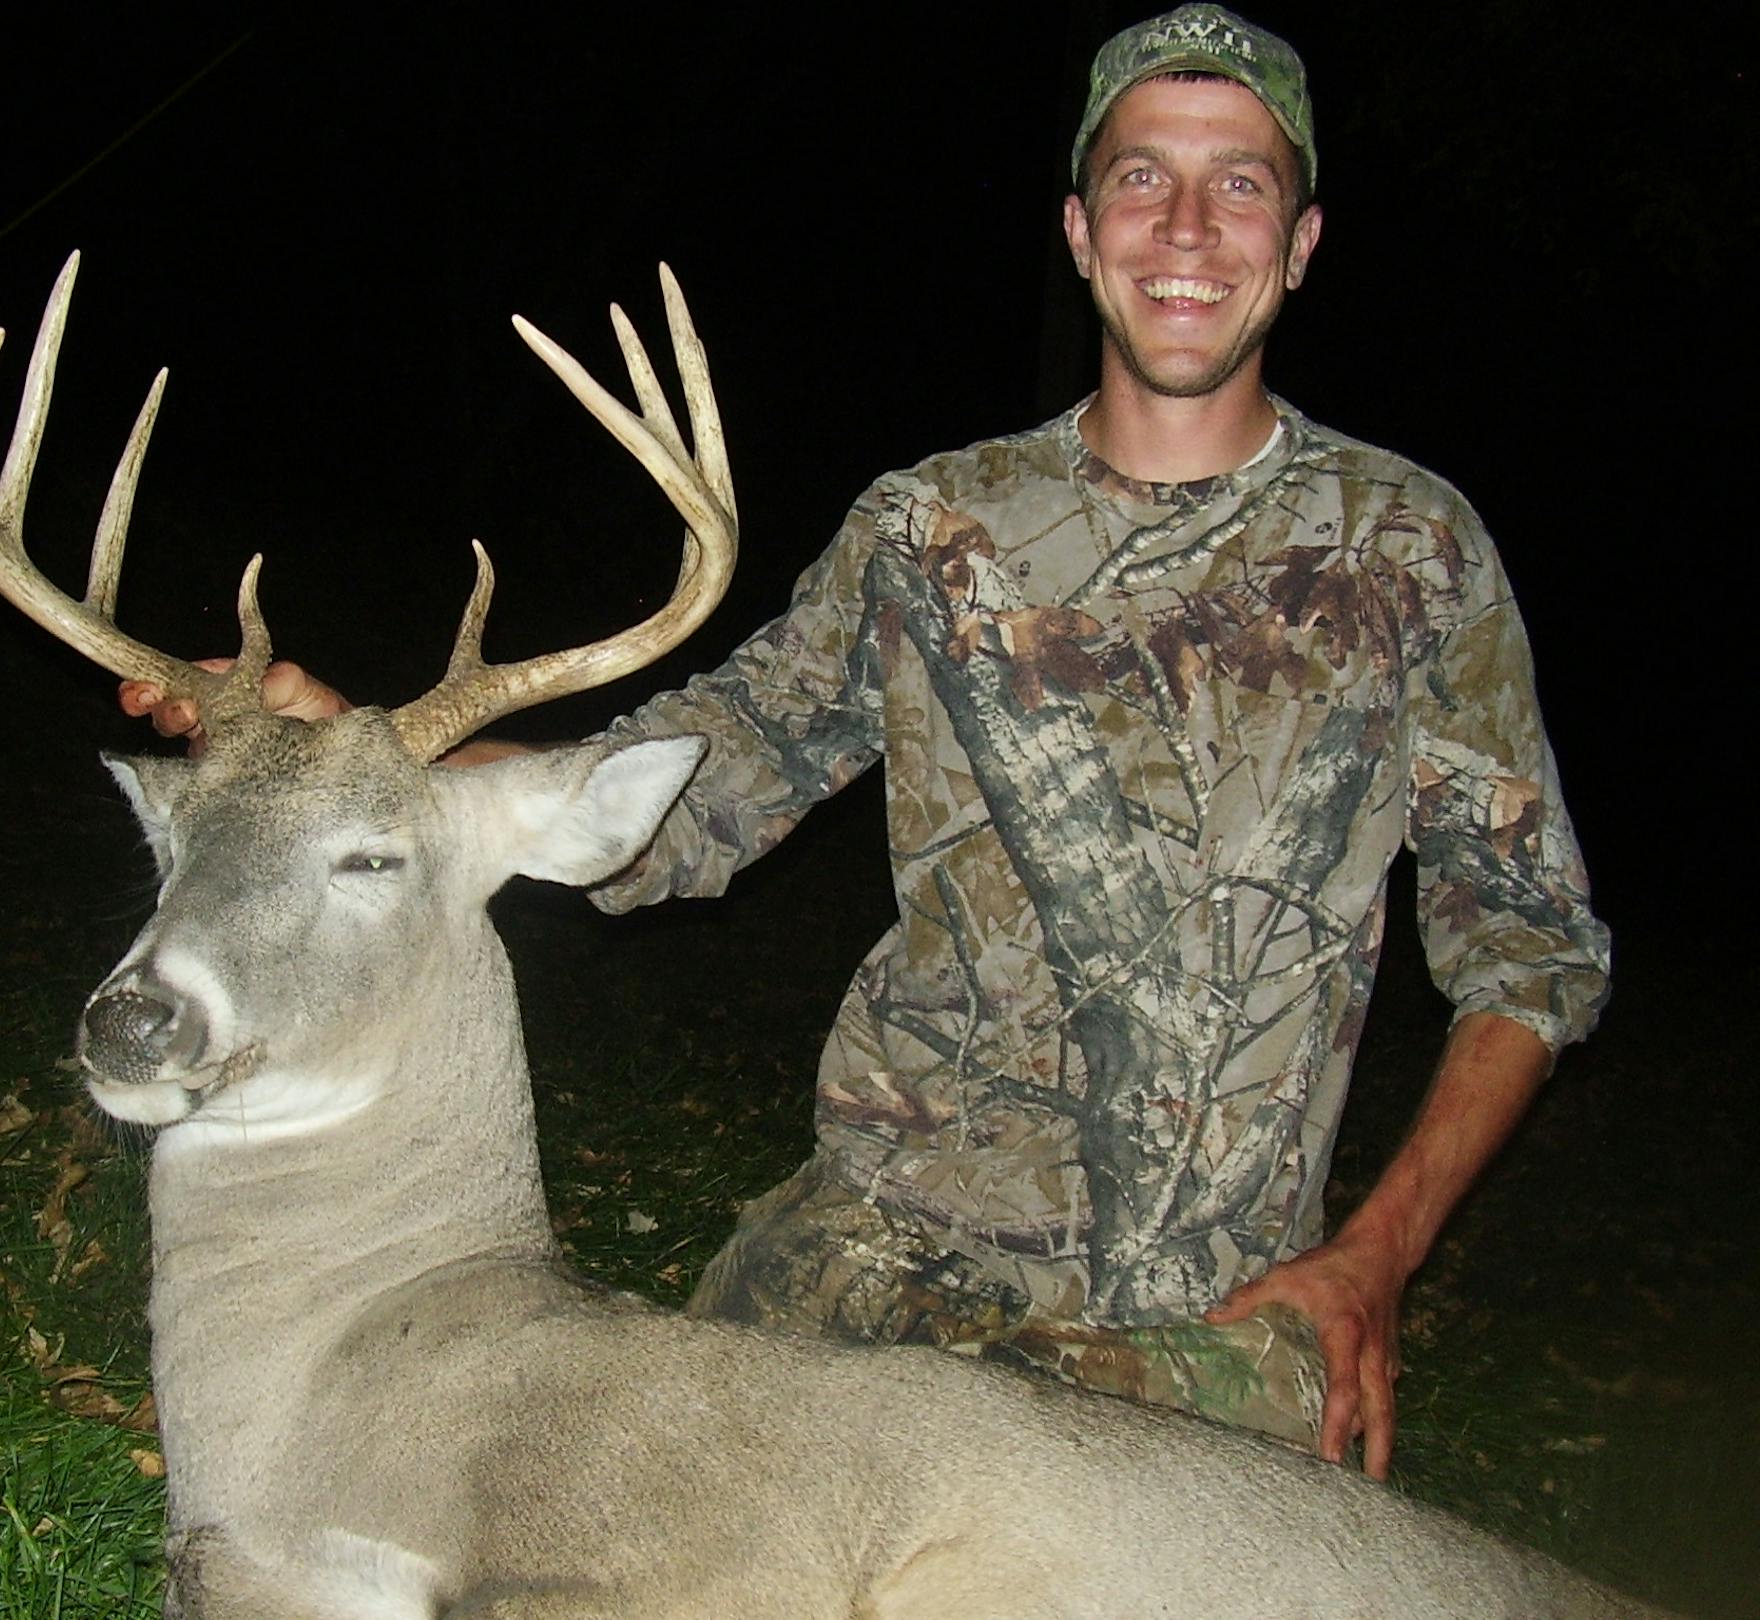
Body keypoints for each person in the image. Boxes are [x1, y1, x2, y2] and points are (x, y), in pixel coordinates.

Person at [125, 5, 1609, 1482]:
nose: (1190, 226)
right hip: (879, 1251)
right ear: (1084, 233)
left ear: (1299, 242)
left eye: (1243, 185)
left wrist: (1376, 1260)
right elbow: (704, 774)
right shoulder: (927, 525)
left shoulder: (1409, 549)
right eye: (1145, 177)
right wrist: (343, 751)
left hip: (1201, 1315)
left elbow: (1532, 953)